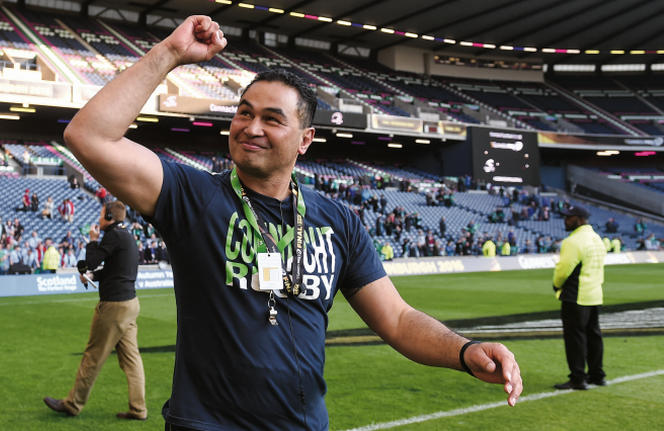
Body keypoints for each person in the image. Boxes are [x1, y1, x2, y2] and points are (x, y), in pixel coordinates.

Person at [62, 16, 522, 430]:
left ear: (305, 140)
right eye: (244, 112)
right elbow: (88, 135)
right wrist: (171, 54)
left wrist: (464, 352)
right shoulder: (194, 197)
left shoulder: (336, 220)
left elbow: (398, 321)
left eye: (271, 119)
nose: (251, 127)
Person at [44, 201, 146, 420]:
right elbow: (113, 270)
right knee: (131, 359)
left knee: (93, 355)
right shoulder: (126, 235)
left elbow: (90, 261)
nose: (99, 218)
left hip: (114, 306)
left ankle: (72, 404)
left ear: (109, 216)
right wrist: (92, 276)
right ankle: (139, 409)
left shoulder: (112, 236)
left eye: (101, 214)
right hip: (130, 304)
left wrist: (91, 240)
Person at [552, 205, 607, 390]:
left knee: (575, 338)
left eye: (569, 217)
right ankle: (597, 375)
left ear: (579, 219)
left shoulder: (573, 241)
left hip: (576, 296)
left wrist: (557, 285)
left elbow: (563, 269)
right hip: (594, 294)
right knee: (594, 336)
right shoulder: (597, 239)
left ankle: (578, 378)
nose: (565, 220)